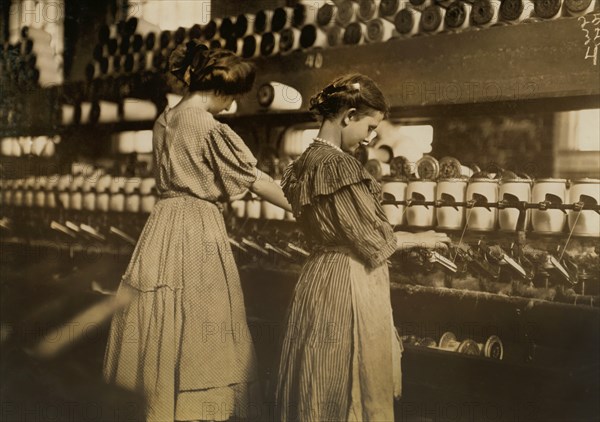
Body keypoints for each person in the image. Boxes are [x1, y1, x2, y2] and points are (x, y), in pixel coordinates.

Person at [103, 43, 292, 422]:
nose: (231, 106)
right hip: (196, 228)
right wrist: (301, 207)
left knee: (164, 317)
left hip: (161, 224)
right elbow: (255, 180)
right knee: (203, 319)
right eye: (232, 98)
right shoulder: (205, 125)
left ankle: (160, 407)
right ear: (219, 90)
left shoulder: (165, 119)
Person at [275, 73, 451, 421]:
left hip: (318, 277)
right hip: (347, 280)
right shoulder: (338, 165)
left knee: (318, 375)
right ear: (348, 116)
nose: (370, 138)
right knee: (346, 378)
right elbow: (371, 239)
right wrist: (418, 238)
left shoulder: (304, 162)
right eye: (370, 127)